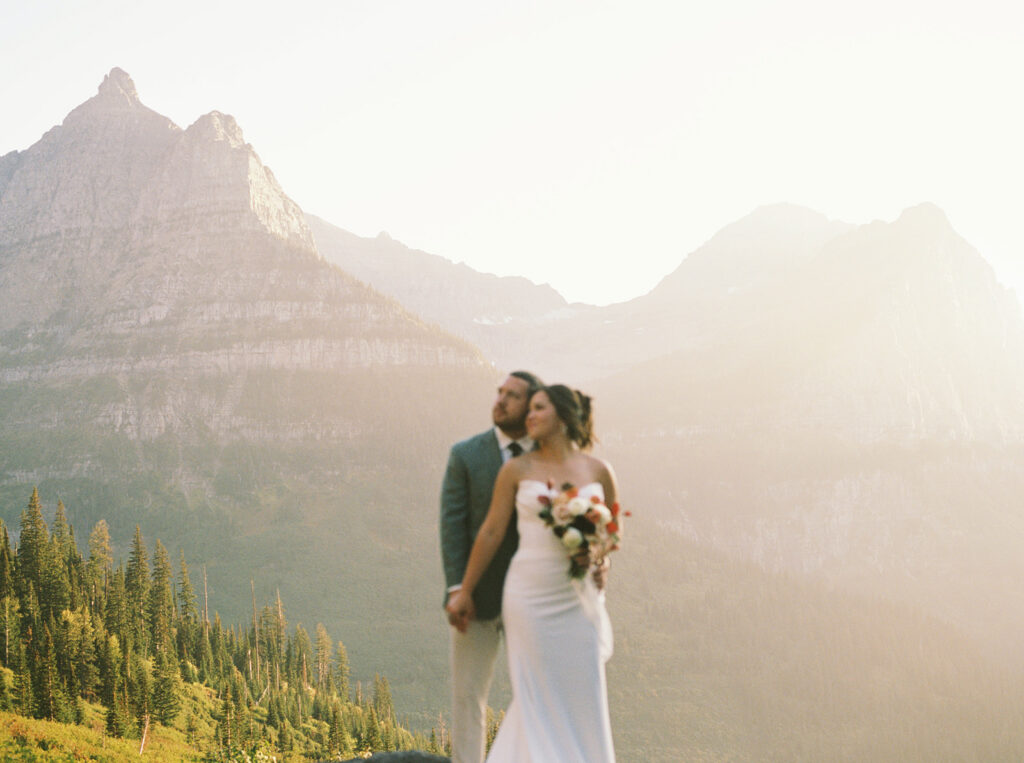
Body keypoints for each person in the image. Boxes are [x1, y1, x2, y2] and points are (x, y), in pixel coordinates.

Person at [447, 384, 619, 762]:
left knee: (584, 685)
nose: (530, 415)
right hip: (529, 594)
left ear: (562, 415)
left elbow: (611, 531)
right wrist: (464, 590)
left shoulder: (599, 470)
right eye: (530, 409)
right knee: (535, 691)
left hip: (577, 598)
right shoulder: (516, 470)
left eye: (539, 408)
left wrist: (602, 560)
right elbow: (491, 531)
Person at [440, 371, 544, 763]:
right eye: (499, 393)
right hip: (476, 598)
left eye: (512, 396)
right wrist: (457, 589)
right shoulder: (465, 454)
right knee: (467, 696)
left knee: (533, 695)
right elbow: (452, 527)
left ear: (533, 408)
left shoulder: (547, 456)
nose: (500, 401)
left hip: (534, 597)